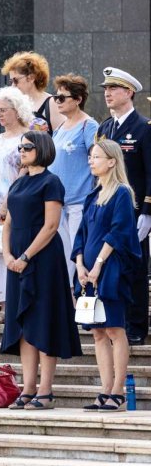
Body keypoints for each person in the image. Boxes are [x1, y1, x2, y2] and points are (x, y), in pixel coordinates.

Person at [0, 132, 80, 410]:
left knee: (43, 320)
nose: (22, 151)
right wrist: (7, 254)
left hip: (43, 258)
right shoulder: (19, 182)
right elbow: (8, 222)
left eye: (27, 147)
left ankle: (45, 390)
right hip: (16, 259)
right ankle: (28, 387)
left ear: (42, 149)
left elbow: (51, 226)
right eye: (20, 147)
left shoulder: (51, 182)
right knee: (23, 322)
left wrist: (24, 256)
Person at [74, 140, 141, 411]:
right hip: (88, 270)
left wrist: (99, 263)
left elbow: (119, 231)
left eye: (97, 157)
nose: (91, 161)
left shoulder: (121, 193)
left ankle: (118, 391)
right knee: (98, 332)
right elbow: (80, 234)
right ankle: (104, 389)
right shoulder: (93, 194)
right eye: (90, 156)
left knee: (114, 327)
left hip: (110, 269)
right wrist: (79, 264)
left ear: (112, 161)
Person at [96, 67, 151, 346]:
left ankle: (137, 325)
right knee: (108, 266)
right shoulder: (105, 128)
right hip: (107, 207)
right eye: (106, 89)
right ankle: (113, 319)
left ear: (129, 92)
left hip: (134, 210)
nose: (107, 93)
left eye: (113, 89)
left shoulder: (143, 128)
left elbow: (150, 172)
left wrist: (148, 212)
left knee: (135, 267)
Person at [0, 87, 33, 324]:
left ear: (17, 110)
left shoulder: (27, 137)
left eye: (4, 110)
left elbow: (25, 171)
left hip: (17, 205)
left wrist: (8, 205)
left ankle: (11, 306)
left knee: (10, 252)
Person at [49, 75, 100, 283]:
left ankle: (79, 303)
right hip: (58, 201)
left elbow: (97, 160)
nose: (57, 101)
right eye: (55, 97)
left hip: (79, 201)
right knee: (63, 254)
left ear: (78, 99)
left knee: (78, 255)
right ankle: (67, 303)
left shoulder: (89, 126)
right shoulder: (60, 127)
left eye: (62, 97)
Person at [3, 51, 60, 132]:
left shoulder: (52, 103)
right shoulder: (15, 105)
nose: (12, 85)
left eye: (15, 80)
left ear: (31, 78)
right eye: (10, 81)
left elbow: (61, 139)